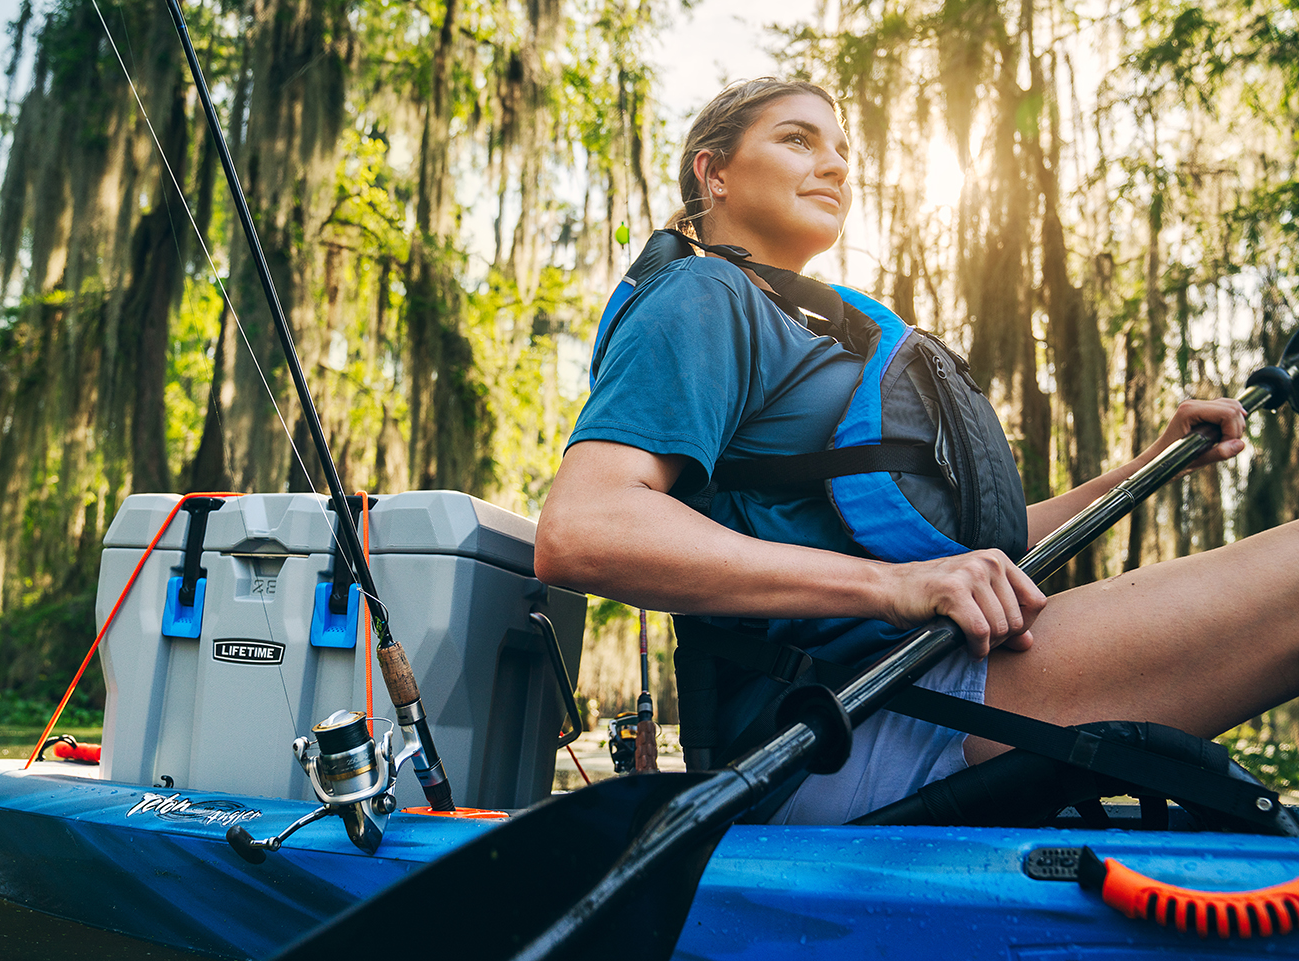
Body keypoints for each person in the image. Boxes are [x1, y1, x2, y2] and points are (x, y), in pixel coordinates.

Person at [532, 77, 1285, 825]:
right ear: (713, 171)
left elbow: (985, 552)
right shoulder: (702, 293)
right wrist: (894, 588)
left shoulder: (811, 331)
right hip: (835, 727)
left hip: (922, 676)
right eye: (797, 139)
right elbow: (587, 528)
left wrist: (1151, 463)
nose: (833, 165)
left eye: (842, 151)